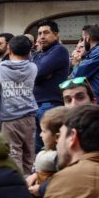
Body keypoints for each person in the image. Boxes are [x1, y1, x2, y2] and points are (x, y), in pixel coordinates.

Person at [0, 35, 38, 175]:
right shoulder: (33, 68)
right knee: (29, 158)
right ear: (29, 51)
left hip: (9, 121)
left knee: (13, 159)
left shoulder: (0, 69)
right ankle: (29, 191)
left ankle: (18, 191)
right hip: (30, 119)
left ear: (9, 48)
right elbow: (30, 58)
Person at [31, 20, 70, 152]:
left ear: (56, 34)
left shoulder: (59, 50)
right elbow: (31, 74)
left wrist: (38, 74)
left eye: (46, 33)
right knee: (37, 151)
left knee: (51, 149)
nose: (42, 36)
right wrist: (38, 74)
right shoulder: (37, 55)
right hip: (35, 107)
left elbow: (37, 73)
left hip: (50, 107)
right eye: (39, 33)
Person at [71, 24, 99, 107]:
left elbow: (76, 78)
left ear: (87, 38)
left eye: (83, 38)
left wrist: (76, 63)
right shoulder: (98, 53)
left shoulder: (97, 54)